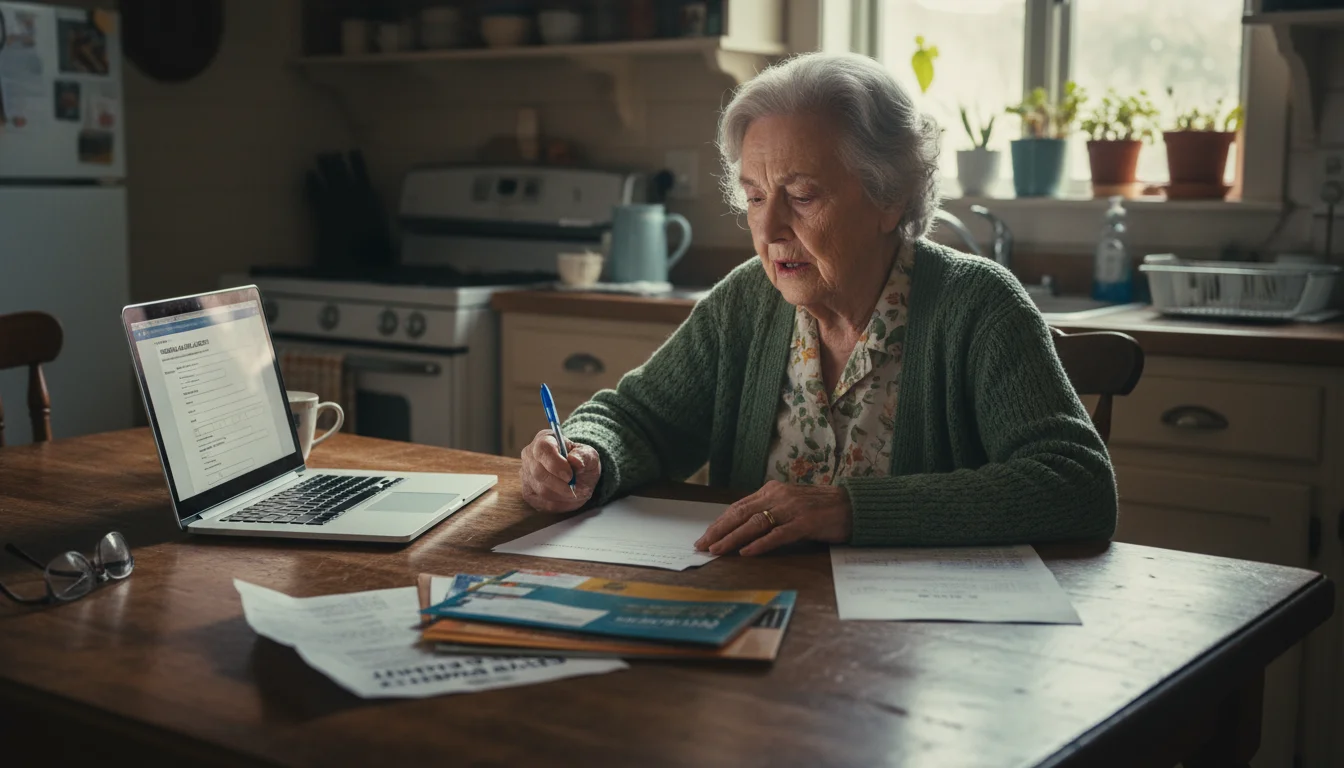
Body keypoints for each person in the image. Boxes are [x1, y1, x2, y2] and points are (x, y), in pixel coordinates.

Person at [519, 52, 1117, 556]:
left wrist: (852, 510)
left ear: (891, 197)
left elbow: (1076, 484)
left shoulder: (979, 306)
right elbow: (638, 419)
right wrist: (588, 455)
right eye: (755, 197)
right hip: (754, 622)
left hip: (926, 650)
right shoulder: (746, 302)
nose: (770, 228)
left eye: (802, 195)